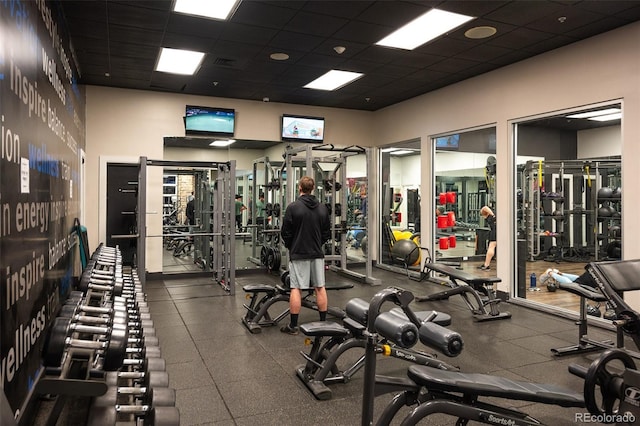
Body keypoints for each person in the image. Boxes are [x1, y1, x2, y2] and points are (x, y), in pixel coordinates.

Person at [280, 176, 331, 335]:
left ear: (299, 188)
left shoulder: (293, 207)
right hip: (317, 253)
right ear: (313, 188)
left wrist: (291, 245)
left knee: (296, 288)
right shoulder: (322, 208)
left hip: (299, 253)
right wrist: (318, 244)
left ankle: (293, 327)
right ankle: (323, 323)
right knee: (320, 287)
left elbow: (285, 233)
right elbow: (326, 233)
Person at [478, 205, 496, 270]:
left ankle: (486, 265)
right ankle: (486, 264)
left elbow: (485, 208)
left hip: (497, 231)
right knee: (492, 246)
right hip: (495, 231)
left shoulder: (491, 215)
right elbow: (484, 208)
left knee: (491, 246)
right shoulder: (487, 216)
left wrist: (493, 215)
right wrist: (493, 215)